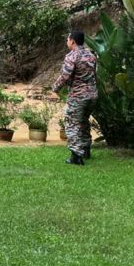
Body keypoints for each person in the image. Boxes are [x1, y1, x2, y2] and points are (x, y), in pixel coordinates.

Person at [52, 30, 98, 165]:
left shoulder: (72, 56)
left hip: (78, 96)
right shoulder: (91, 55)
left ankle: (76, 156)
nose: (67, 42)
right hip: (92, 95)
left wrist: (55, 89)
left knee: (72, 124)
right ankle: (86, 149)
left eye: (67, 40)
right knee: (83, 122)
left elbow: (65, 76)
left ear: (72, 41)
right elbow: (94, 75)